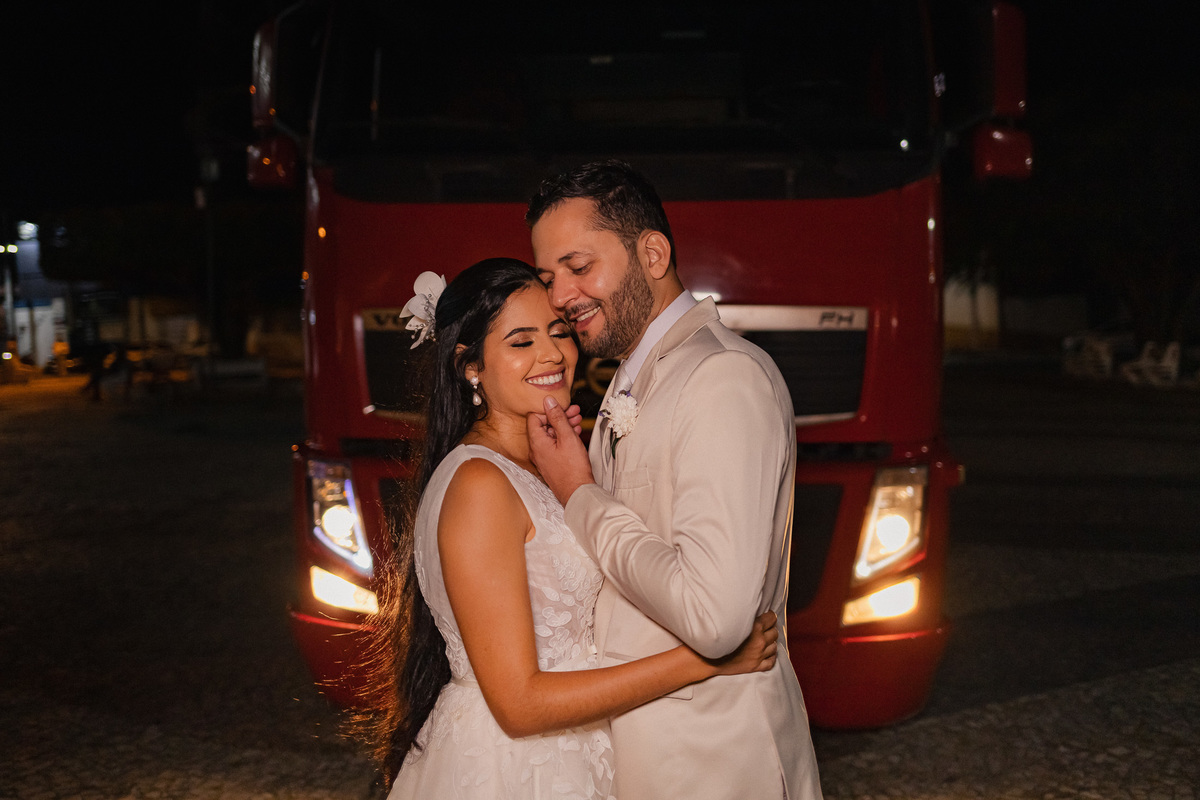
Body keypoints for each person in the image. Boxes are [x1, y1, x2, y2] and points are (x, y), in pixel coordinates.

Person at [367, 258, 781, 799]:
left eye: (559, 332)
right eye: (521, 342)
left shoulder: (541, 465)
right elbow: (520, 705)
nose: (553, 354)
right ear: (470, 367)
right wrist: (702, 661)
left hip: (585, 749)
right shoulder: (479, 485)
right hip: (518, 770)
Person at [525, 161, 823, 799]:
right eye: (549, 279)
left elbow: (714, 619)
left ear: (653, 254)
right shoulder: (630, 380)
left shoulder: (723, 377)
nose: (560, 296)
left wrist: (579, 494)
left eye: (579, 267)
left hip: (712, 762)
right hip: (645, 752)